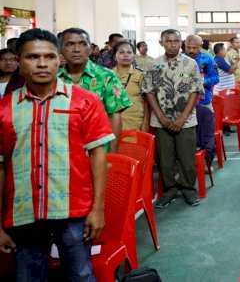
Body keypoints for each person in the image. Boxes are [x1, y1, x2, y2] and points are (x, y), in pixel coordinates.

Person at [0, 29, 112, 281]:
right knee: (29, 277)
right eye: (32, 57)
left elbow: (98, 156)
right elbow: (1, 167)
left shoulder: (85, 101)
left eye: (49, 56)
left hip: (74, 210)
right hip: (24, 210)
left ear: (58, 59)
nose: (41, 64)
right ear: (19, 62)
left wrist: (98, 209)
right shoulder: (5, 109)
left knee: (81, 275)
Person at [143, 29, 204, 208]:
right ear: (161, 43)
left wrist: (182, 118)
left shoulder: (190, 64)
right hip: (161, 122)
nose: (173, 44)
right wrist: (160, 116)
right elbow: (149, 92)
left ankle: (188, 189)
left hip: (186, 120)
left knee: (187, 158)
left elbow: (195, 91)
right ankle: (169, 190)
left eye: (176, 41)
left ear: (181, 43)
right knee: (165, 159)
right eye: (168, 41)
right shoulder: (154, 65)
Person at [57, 28, 132, 151]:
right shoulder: (54, 79)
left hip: (98, 150)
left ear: (90, 49)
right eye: (70, 44)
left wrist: (112, 154)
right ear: (60, 50)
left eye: (82, 44)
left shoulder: (106, 76)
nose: (77, 49)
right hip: (62, 151)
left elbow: (115, 117)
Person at [184, 35, 219, 164]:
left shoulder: (208, 59)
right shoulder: (180, 60)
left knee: (207, 133)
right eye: (189, 47)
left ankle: (207, 161)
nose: (191, 50)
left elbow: (216, 78)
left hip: (204, 102)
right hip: (185, 103)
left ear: (200, 46)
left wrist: (202, 81)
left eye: (195, 48)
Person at [113, 41, 150, 132]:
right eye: (122, 52)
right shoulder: (107, 75)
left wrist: (145, 123)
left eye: (129, 52)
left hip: (135, 123)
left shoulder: (140, 74)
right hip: (112, 123)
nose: (126, 55)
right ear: (114, 56)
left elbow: (147, 101)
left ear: (133, 56)